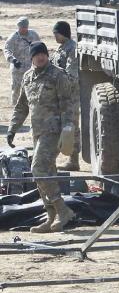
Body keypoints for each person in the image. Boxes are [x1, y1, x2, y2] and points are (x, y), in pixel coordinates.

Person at [5, 42, 77, 233]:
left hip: (54, 131)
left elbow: (67, 103)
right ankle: (51, 216)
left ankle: (63, 209)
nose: (40, 57)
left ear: (47, 55)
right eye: (37, 55)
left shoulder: (57, 75)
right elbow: (22, 107)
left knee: (38, 168)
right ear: (32, 58)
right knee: (46, 173)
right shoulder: (27, 77)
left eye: (43, 54)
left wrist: (69, 128)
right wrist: (12, 128)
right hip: (37, 132)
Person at [51, 21, 80, 171]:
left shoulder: (72, 49)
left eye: (56, 33)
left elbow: (72, 76)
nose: (54, 36)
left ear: (63, 33)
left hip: (70, 96)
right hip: (60, 95)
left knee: (71, 127)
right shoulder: (61, 48)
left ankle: (74, 161)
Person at [4, 17, 40, 108]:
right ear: (18, 27)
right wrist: (13, 60)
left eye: (25, 27)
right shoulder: (13, 37)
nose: (23, 29)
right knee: (16, 89)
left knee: (32, 87)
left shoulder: (33, 35)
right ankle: (15, 107)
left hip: (31, 68)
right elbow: (7, 50)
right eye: (21, 27)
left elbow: (40, 47)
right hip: (17, 68)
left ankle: (31, 106)